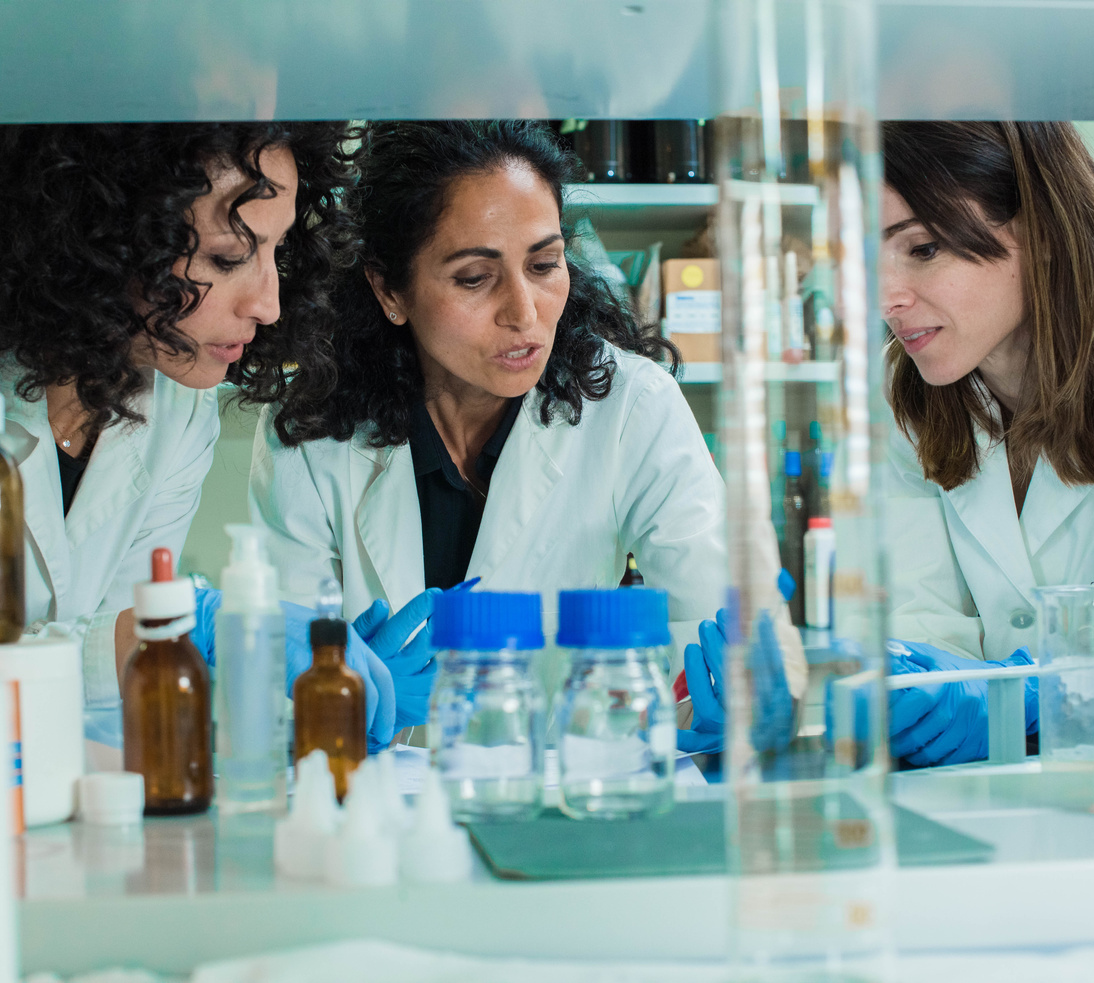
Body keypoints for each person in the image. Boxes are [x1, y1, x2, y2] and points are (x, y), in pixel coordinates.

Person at [0, 122, 406, 746]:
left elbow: (102, 665)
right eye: (227, 258)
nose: (269, 304)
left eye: (278, 253)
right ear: (101, 234)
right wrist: (189, 626)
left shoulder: (175, 401)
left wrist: (194, 640)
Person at [248, 120, 806, 744]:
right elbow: (275, 688)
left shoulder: (630, 406)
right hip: (378, 814)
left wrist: (729, 708)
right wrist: (333, 712)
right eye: (473, 277)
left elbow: (727, 626)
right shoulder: (313, 434)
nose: (524, 312)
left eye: (544, 264)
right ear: (389, 290)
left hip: (560, 803)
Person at [878, 121, 1094, 766]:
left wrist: (1043, 693)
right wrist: (914, 687)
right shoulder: (903, 392)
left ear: (1040, 231)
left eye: (924, 249)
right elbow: (919, 621)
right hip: (989, 795)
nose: (885, 297)